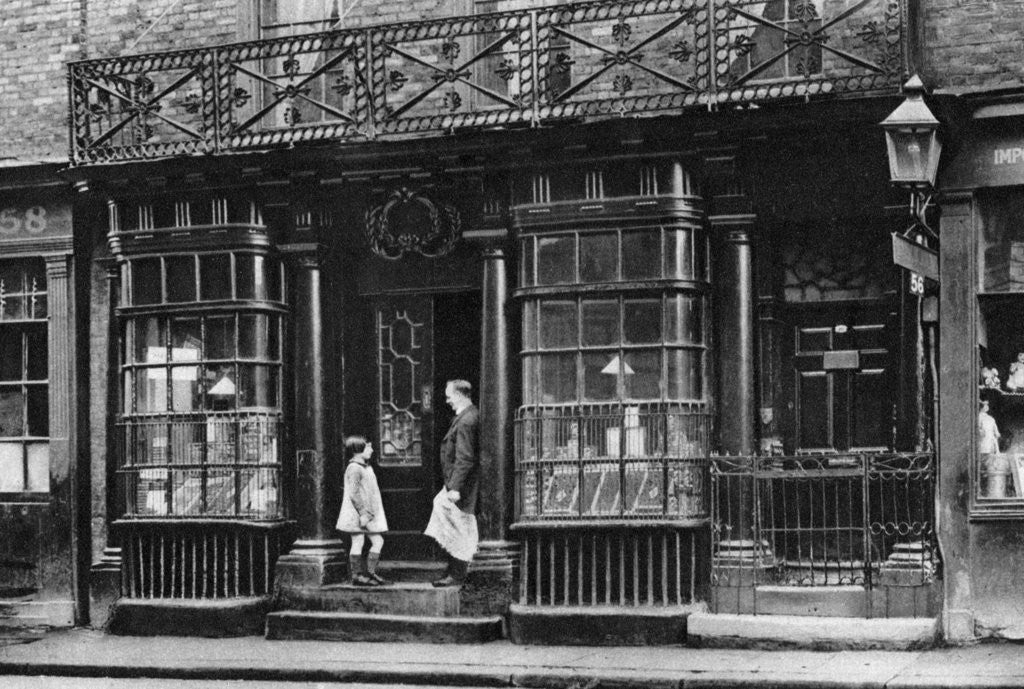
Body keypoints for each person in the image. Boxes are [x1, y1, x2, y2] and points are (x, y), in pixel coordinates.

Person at [424, 379, 480, 587]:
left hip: (462, 487)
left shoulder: (467, 420)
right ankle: (456, 568)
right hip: (455, 484)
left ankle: (458, 572)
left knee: (459, 526)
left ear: (460, 395)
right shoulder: (466, 416)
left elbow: (465, 458)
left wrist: (455, 488)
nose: (447, 400)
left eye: (449, 396)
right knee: (449, 518)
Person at [335, 435, 389, 586]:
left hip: (369, 514)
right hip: (358, 514)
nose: (371, 450)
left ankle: (371, 573)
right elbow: (354, 493)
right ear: (358, 451)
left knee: (377, 541)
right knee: (358, 541)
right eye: (368, 447)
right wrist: (363, 513)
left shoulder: (366, 467)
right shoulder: (354, 468)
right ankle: (357, 576)